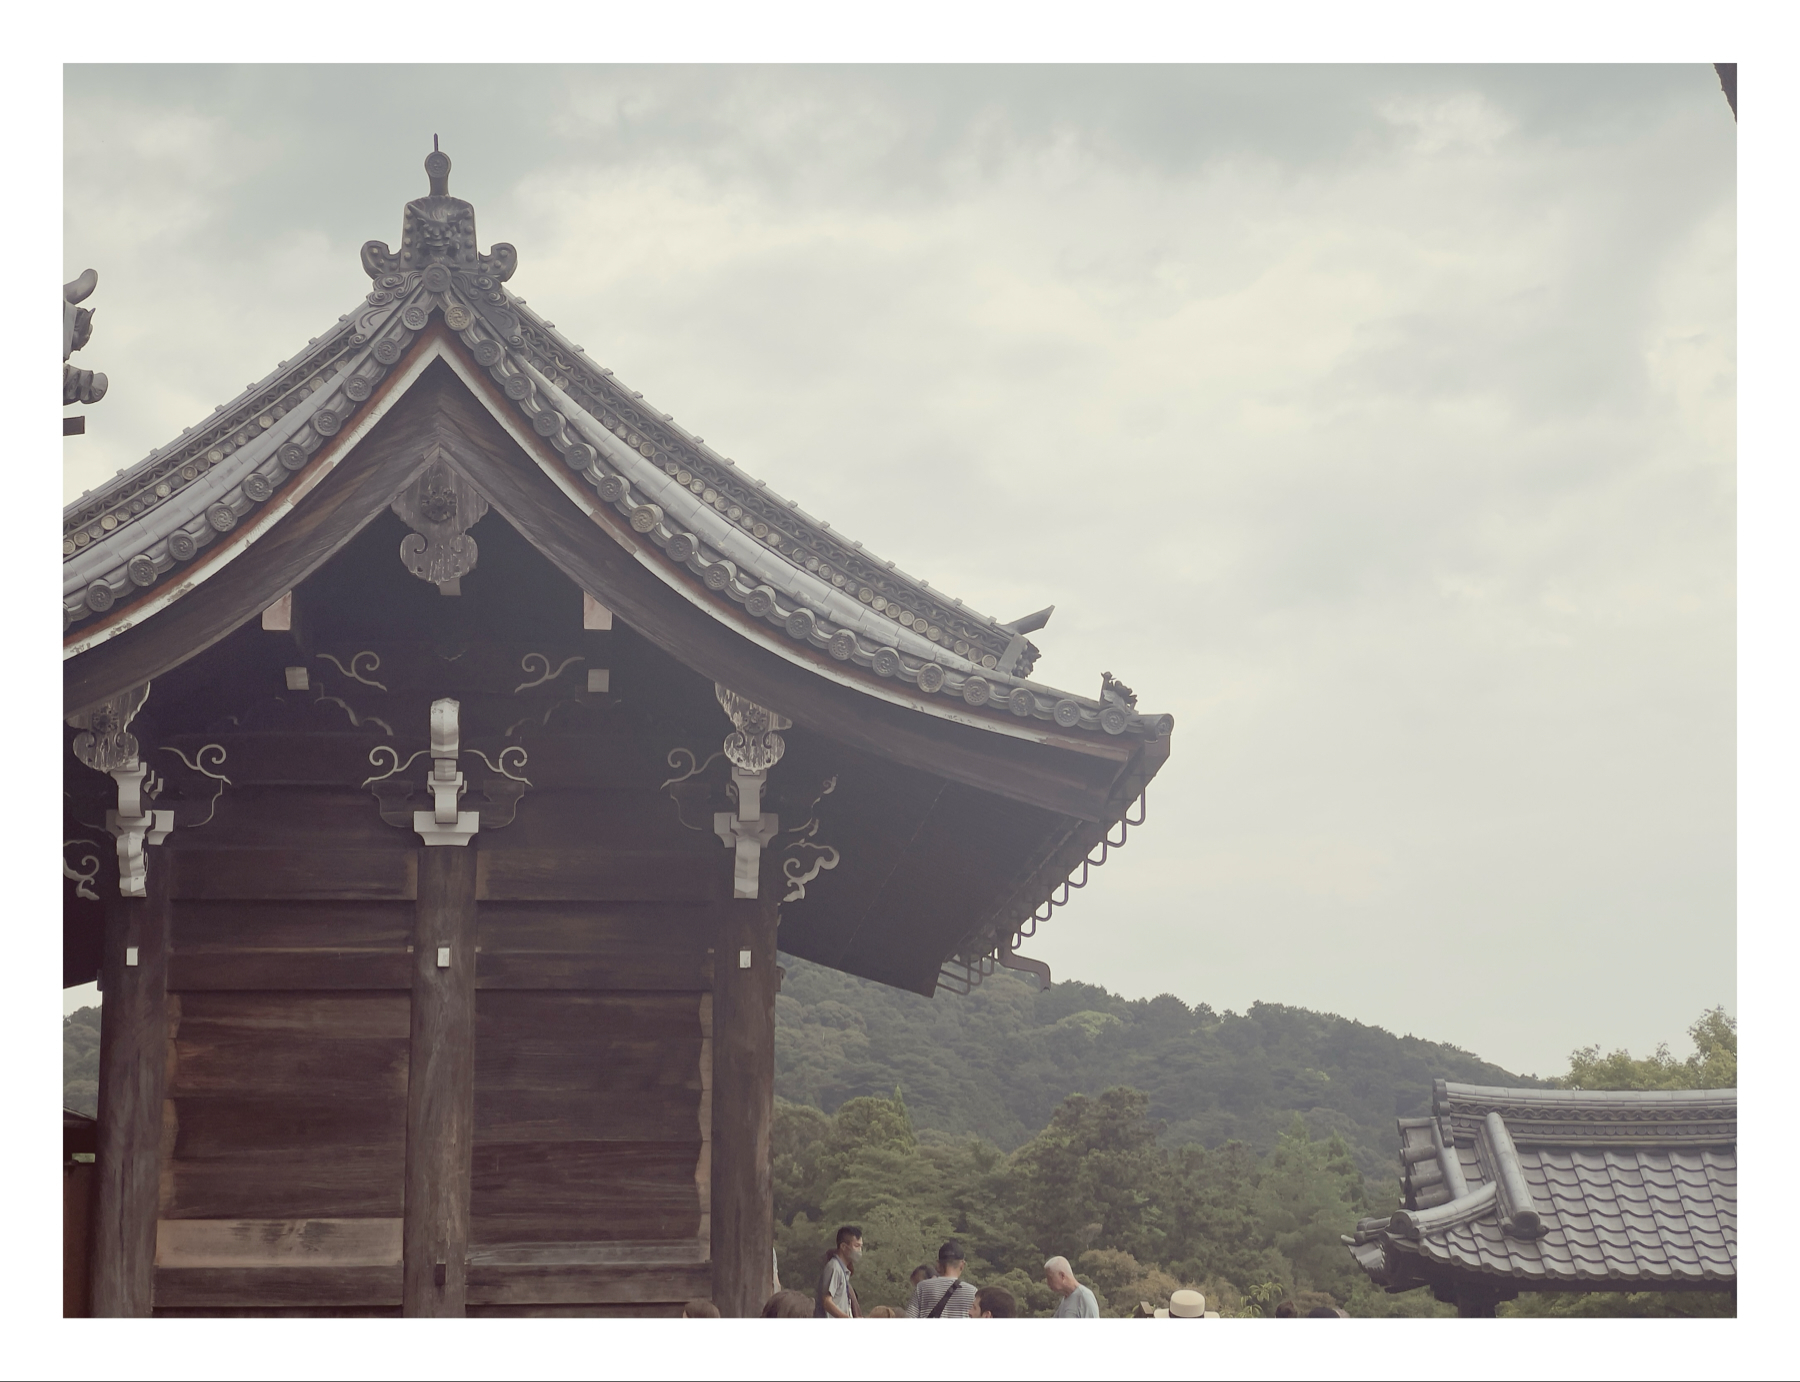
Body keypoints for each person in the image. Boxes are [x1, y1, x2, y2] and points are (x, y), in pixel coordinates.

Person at [904, 1240, 976, 1319]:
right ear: (962, 1265)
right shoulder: (972, 1292)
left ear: (938, 1265)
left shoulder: (922, 1287)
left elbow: (909, 1317)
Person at [815, 1225, 863, 1318]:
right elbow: (827, 1301)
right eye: (856, 1246)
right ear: (843, 1247)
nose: (859, 1250)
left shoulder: (842, 1270)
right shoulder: (834, 1268)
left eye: (861, 1246)